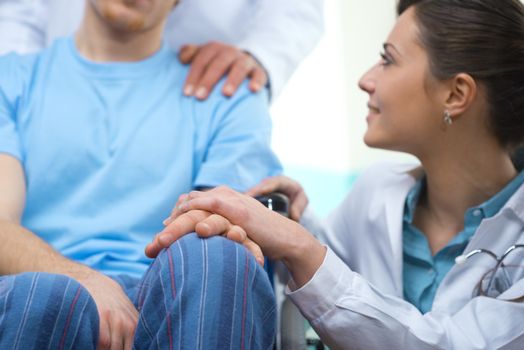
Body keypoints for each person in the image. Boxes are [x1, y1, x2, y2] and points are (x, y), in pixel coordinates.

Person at [147, 0, 524, 348]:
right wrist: (292, 221)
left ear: (456, 95)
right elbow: (326, 273)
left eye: (387, 60)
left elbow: (449, 343)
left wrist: (299, 245)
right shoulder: (376, 194)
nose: (365, 79)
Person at [0, 0, 282, 348]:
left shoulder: (228, 96)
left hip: (177, 300)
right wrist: (79, 279)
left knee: (216, 255)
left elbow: (219, 223)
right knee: (45, 297)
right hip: (34, 294)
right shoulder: (8, 81)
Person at [0, 0, 324, 100]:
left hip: (205, 84)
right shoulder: (18, 89)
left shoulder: (230, 113)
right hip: (56, 80)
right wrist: (27, 86)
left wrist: (257, 56)